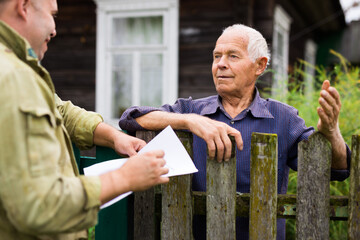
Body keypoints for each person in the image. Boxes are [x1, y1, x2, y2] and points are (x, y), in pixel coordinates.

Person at [119, 24, 350, 239]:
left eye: (232, 56)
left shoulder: (284, 118)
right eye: (216, 56)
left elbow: (336, 169)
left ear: (259, 65)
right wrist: (189, 121)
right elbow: (131, 118)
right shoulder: (191, 110)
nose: (220, 64)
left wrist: (332, 132)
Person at [0, 0, 169, 239]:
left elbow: (61, 111)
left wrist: (114, 137)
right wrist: (125, 177)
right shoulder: (12, 77)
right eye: (52, 15)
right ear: (24, 6)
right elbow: (40, 204)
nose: (54, 29)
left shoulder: (14, 70)